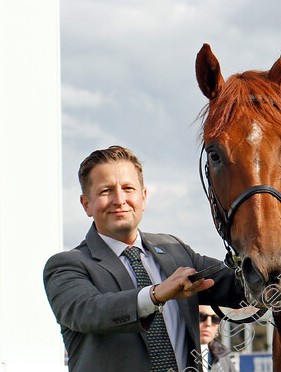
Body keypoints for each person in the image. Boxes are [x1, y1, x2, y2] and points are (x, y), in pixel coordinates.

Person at [44, 146, 245, 372]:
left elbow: (243, 286)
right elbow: (90, 312)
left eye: (128, 188)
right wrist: (156, 295)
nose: (119, 200)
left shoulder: (175, 251)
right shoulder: (66, 266)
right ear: (86, 204)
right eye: (105, 191)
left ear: (143, 197)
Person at [198, 306, 234, 372]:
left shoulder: (224, 359)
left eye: (215, 319)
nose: (208, 323)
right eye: (201, 316)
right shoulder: (177, 353)